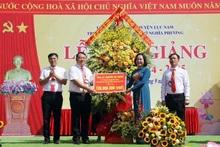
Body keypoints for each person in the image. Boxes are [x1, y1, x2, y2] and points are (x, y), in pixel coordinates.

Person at [39, 53, 67, 144]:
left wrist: (55, 75)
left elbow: (64, 82)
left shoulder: (62, 70)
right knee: (46, 117)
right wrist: (49, 76)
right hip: (47, 95)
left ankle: (56, 138)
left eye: (54, 58)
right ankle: (46, 138)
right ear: (49, 60)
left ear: (57, 59)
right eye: (51, 59)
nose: (53, 60)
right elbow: (41, 82)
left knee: (57, 117)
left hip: (57, 95)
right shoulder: (44, 70)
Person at [69, 52, 95, 144]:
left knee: (85, 117)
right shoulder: (73, 69)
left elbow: (91, 82)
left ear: (86, 59)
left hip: (87, 96)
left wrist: (99, 81)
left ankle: (85, 137)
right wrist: (88, 88)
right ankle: (76, 137)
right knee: (76, 117)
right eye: (80, 58)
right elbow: (75, 82)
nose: (82, 59)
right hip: (76, 95)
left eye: (84, 58)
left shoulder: (88, 70)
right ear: (76, 59)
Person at [126, 53, 151, 144]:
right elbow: (129, 84)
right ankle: (139, 137)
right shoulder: (133, 72)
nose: (139, 61)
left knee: (143, 111)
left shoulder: (146, 70)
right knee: (137, 112)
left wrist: (131, 88)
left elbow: (143, 82)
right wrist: (120, 88)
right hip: (136, 93)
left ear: (144, 61)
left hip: (143, 92)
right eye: (137, 59)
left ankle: (146, 137)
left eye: (141, 59)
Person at [161, 53, 190, 121]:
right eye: (171, 59)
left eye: (174, 58)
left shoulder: (183, 72)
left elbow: (186, 85)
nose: (172, 60)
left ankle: (181, 131)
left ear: (178, 60)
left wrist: (187, 98)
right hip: (169, 97)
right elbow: (163, 86)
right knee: (169, 118)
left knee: (181, 118)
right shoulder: (166, 73)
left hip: (179, 97)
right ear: (169, 61)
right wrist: (163, 99)